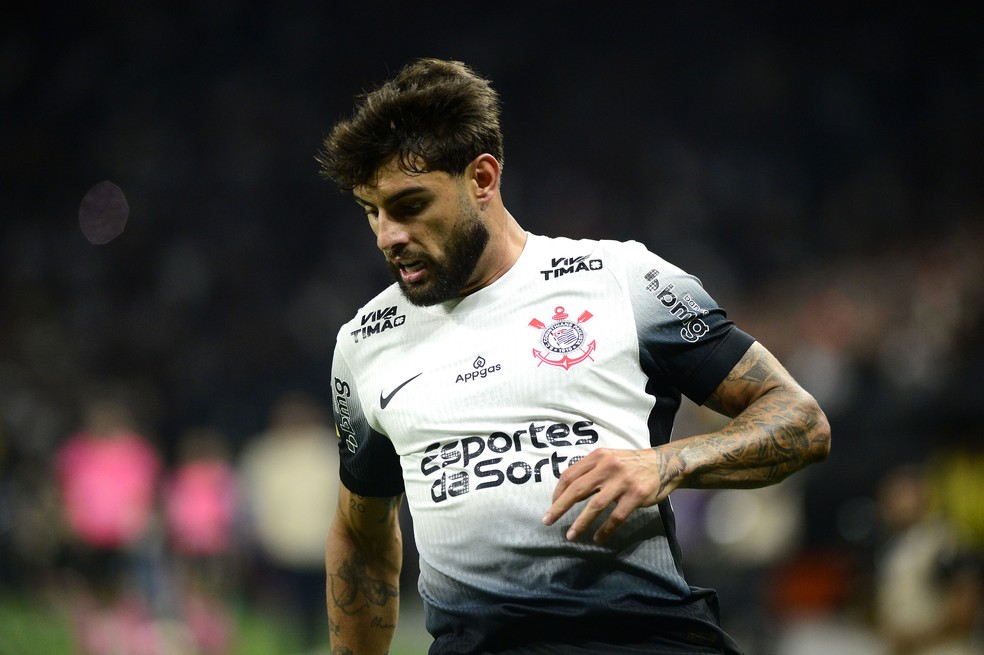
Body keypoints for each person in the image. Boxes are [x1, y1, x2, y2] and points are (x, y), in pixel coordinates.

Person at [316, 58, 831, 655]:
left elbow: (800, 420)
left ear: (482, 178)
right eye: (370, 212)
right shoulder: (365, 343)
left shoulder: (622, 280)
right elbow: (360, 535)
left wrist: (666, 463)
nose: (386, 236)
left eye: (408, 206)